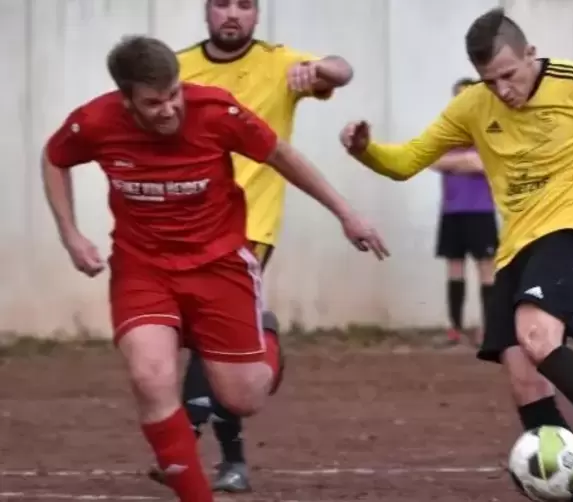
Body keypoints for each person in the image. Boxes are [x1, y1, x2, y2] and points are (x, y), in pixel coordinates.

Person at [339, 8, 573, 502]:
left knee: (537, 335)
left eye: (509, 75)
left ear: (531, 54)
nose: (502, 90)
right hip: (518, 246)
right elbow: (407, 161)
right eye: (489, 81)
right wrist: (367, 150)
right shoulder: (474, 105)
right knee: (524, 381)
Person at [42, 35, 386, 502]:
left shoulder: (216, 112)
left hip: (220, 264)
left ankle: (263, 334)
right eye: (153, 102)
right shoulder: (95, 122)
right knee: (151, 376)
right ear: (126, 100)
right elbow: (55, 157)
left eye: (173, 95)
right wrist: (71, 234)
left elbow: (281, 155)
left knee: (244, 398)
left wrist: (347, 213)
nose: (168, 109)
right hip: (143, 268)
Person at [161, 0, 354, 491]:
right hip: (184, 224)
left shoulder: (279, 62)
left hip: (250, 225)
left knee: (208, 334)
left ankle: (187, 436)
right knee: (209, 344)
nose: (232, 14)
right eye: (221, 4)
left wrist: (318, 69)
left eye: (244, 5)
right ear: (206, 11)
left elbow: (342, 70)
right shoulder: (177, 69)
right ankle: (236, 454)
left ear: (258, 14)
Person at [432, 78, 497, 346]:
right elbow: (430, 159)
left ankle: (489, 329)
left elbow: (491, 163)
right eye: (459, 96)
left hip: (482, 210)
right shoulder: (446, 130)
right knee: (454, 268)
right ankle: (455, 329)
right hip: (452, 211)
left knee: (487, 270)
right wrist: (464, 161)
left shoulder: (491, 129)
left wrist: (456, 163)